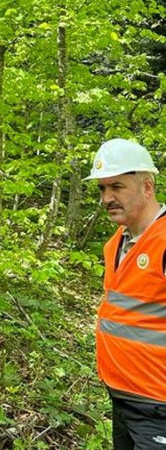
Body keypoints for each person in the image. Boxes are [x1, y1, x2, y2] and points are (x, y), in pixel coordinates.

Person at [83, 138, 166, 449]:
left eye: (117, 187)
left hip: (157, 404)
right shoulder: (116, 242)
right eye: (102, 189)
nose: (107, 198)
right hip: (122, 394)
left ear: (147, 187)